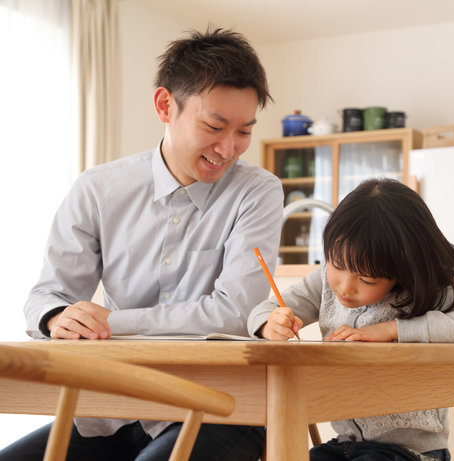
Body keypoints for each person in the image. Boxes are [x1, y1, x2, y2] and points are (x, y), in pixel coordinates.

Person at [1, 28, 283, 461]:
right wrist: (60, 317)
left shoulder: (257, 192)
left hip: (223, 408)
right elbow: (46, 296)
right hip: (111, 410)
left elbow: (236, 313)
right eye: (214, 126)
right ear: (165, 105)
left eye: (244, 131)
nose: (228, 149)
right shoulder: (98, 189)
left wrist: (110, 321)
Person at [248, 178, 454, 461]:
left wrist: (393, 330)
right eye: (336, 265)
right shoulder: (324, 283)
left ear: (401, 268)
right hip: (344, 445)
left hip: (413, 452)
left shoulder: (423, 290)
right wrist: (269, 324)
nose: (344, 287)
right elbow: (264, 309)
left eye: (366, 279)